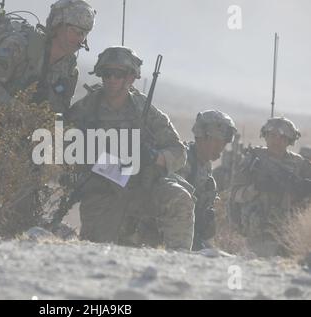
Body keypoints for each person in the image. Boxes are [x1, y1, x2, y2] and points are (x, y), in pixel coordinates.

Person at [65, 46, 195, 250]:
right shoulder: (86, 109)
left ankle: (178, 259)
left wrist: (153, 157)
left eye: (119, 74)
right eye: (107, 73)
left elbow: (179, 152)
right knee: (97, 249)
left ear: (131, 78)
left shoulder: (144, 110)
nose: (112, 79)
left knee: (178, 196)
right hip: (102, 191)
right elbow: (66, 151)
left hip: (143, 187)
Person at [0, 0, 96, 113]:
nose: (79, 38)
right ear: (57, 25)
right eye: (73, 30)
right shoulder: (18, 46)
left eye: (83, 33)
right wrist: (21, 114)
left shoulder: (69, 72)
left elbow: (60, 112)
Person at [229, 117, 311, 257]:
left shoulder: (300, 164)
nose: (276, 141)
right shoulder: (253, 159)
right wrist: (255, 188)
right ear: (265, 136)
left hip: (288, 231)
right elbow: (235, 194)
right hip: (257, 231)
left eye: (282, 137)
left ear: (289, 141)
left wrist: (301, 190)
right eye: (272, 136)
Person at [177, 110, 237, 250]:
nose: (220, 147)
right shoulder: (182, 160)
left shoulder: (205, 166)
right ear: (200, 137)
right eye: (216, 141)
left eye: (223, 142)